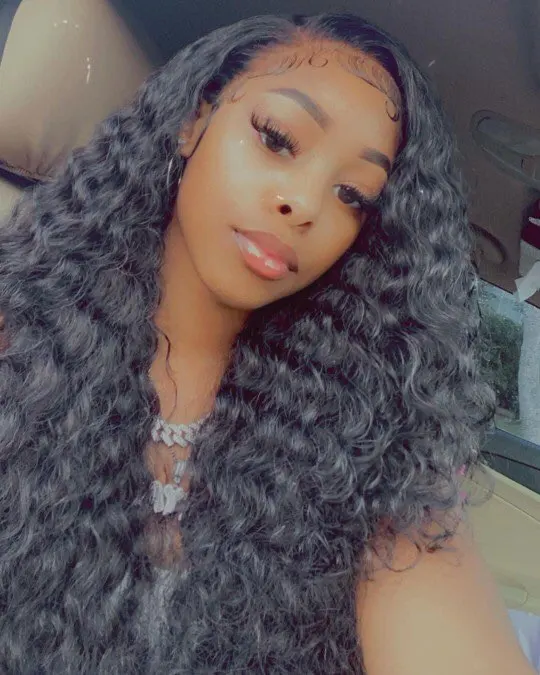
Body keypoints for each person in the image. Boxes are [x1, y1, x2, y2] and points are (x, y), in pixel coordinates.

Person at [0, 11, 535, 675]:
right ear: (194, 120)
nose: (305, 203)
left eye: (352, 195)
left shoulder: (365, 440)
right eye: (278, 138)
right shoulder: (18, 325)